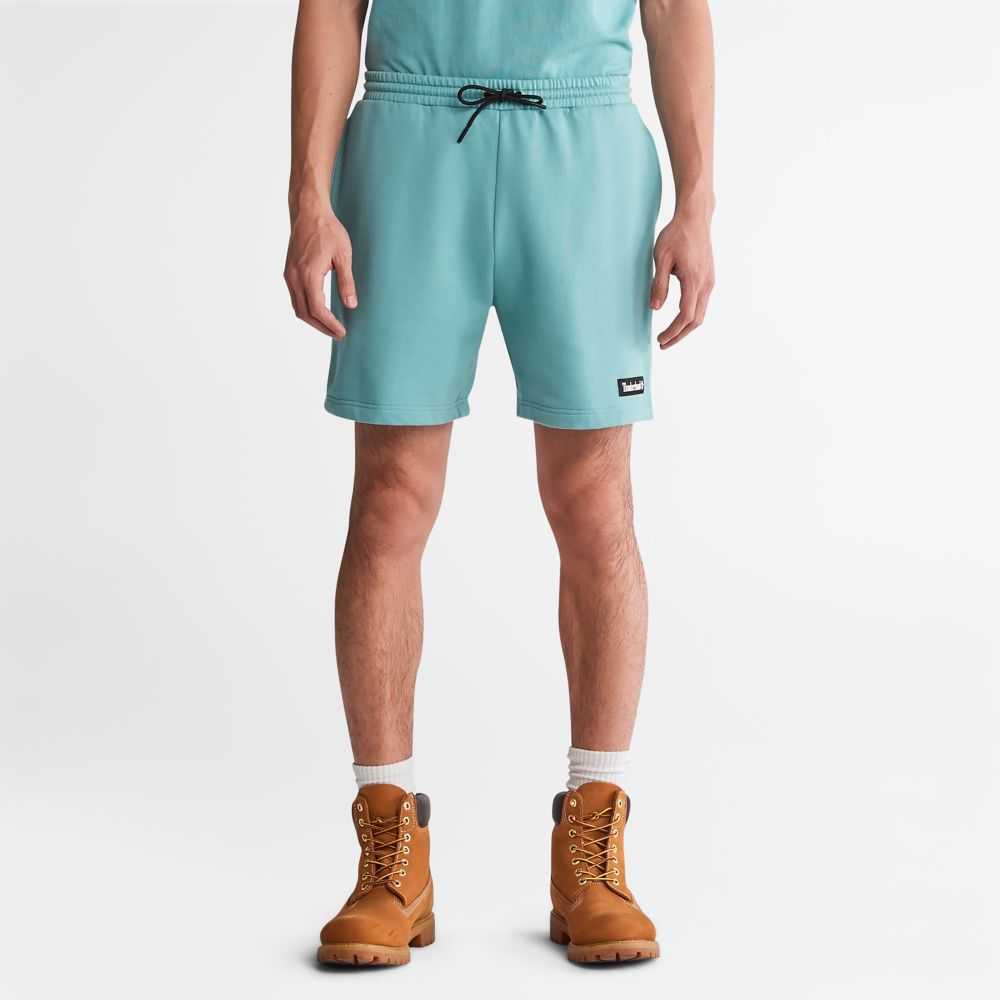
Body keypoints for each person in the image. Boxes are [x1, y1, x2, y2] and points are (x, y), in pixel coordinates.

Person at [284, 0, 715, 967]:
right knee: (390, 498)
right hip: (409, 133)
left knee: (595, 502)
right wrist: (309, 199)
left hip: (585, 138)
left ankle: (594, 849)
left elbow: (673, 6)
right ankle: (389, 857)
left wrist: (697, 200)